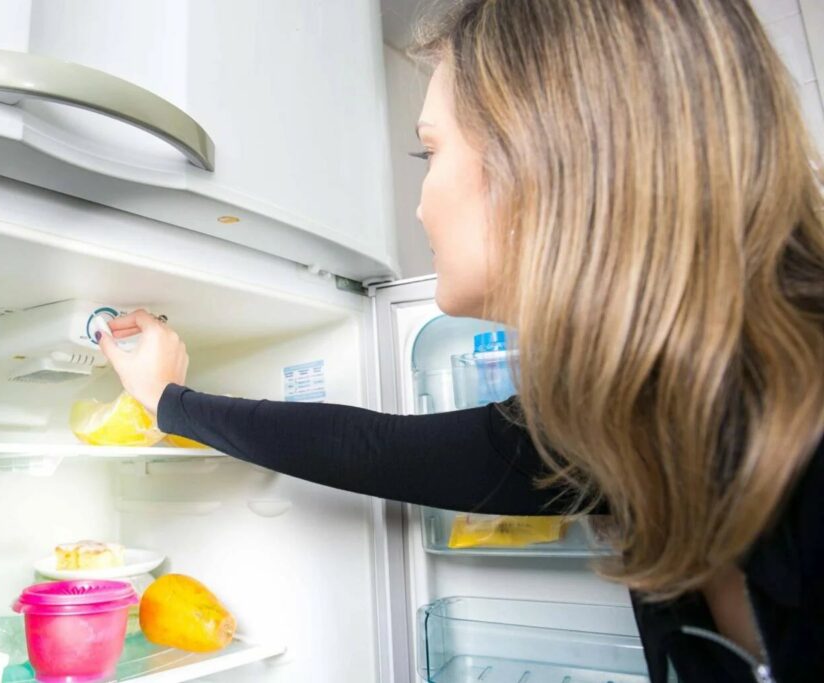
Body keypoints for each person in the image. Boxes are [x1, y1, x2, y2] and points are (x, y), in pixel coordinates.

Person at [97, 1, 824, 680]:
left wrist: (172, 401)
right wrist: (169, 400)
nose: (418, 203)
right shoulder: (627, 415)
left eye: (429, 153)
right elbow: (375, 449)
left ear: (549, 157)